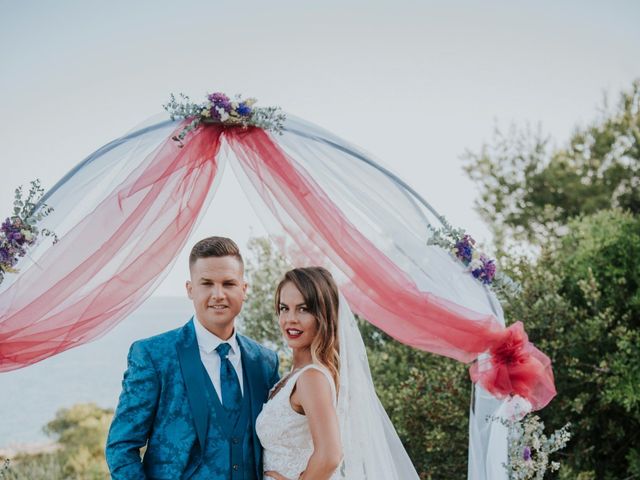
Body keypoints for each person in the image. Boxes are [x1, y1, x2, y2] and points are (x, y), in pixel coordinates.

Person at [106, 236, 280, 480]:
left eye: (228, 283)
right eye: (207, 283)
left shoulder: (265, 362)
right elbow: (121, 448)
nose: (218, 294)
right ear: (190, 289)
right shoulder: (153, 356)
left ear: (244, 289)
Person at [256, 267, 420, 480]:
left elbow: (330, 455)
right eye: (284, 308)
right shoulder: (294, 376)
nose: (290, 319)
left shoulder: (312, 378)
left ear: (323, 315)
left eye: (303, 309)